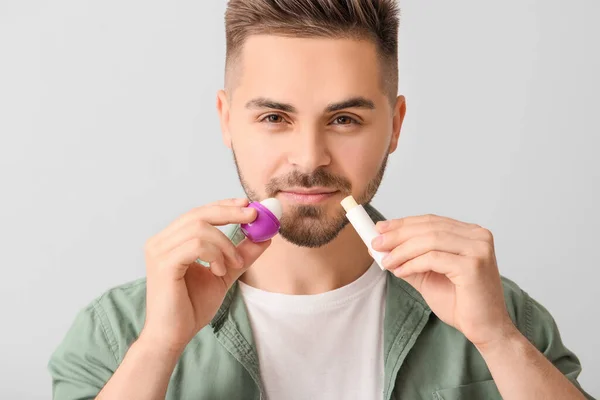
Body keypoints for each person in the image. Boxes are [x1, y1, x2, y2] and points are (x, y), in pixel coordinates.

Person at [48, 1, 594, 399]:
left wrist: (499, 341)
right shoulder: (118, 331)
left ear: (395, 127)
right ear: (226, 121)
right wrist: (158, 349)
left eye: (344, 119)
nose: (309, 158)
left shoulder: (497, 313)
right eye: (273, 118)